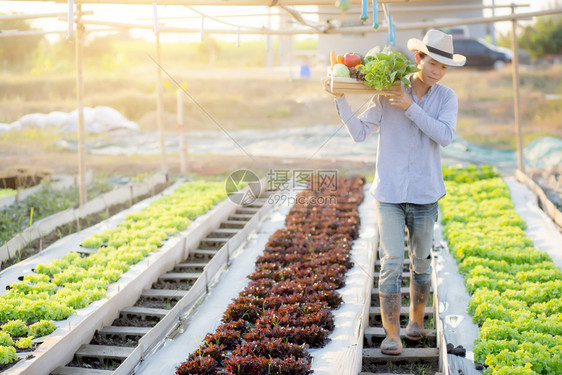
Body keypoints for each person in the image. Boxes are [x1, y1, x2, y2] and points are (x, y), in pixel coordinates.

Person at [323, 29, 466, 355]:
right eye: (433, 63)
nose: (437, 72)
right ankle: (392, 334)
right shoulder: (388, 92)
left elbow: (444, 136)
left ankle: (416, 322)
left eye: (444, 68)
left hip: (425, 193)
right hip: (388, 193)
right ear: (419, 59)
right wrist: (340, 99)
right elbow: (359, 133)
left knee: (421, 262)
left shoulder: (446, 98)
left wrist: (409, 107)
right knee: (391, 261)